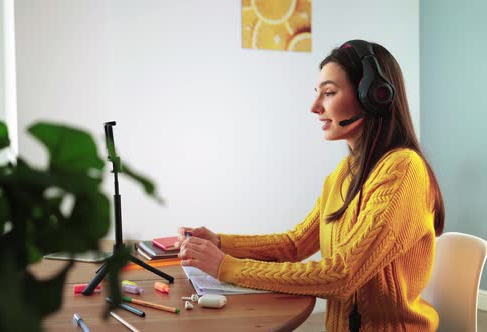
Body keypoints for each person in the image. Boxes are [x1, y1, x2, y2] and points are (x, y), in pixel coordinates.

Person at [175, 40, 445, 332]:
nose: (315, 107)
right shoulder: (344, 174)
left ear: (373, 96)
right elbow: (295, 244)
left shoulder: (403, 169)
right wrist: (221, 243)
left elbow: (342, 275)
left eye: (329, 93)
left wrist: (225, 267)